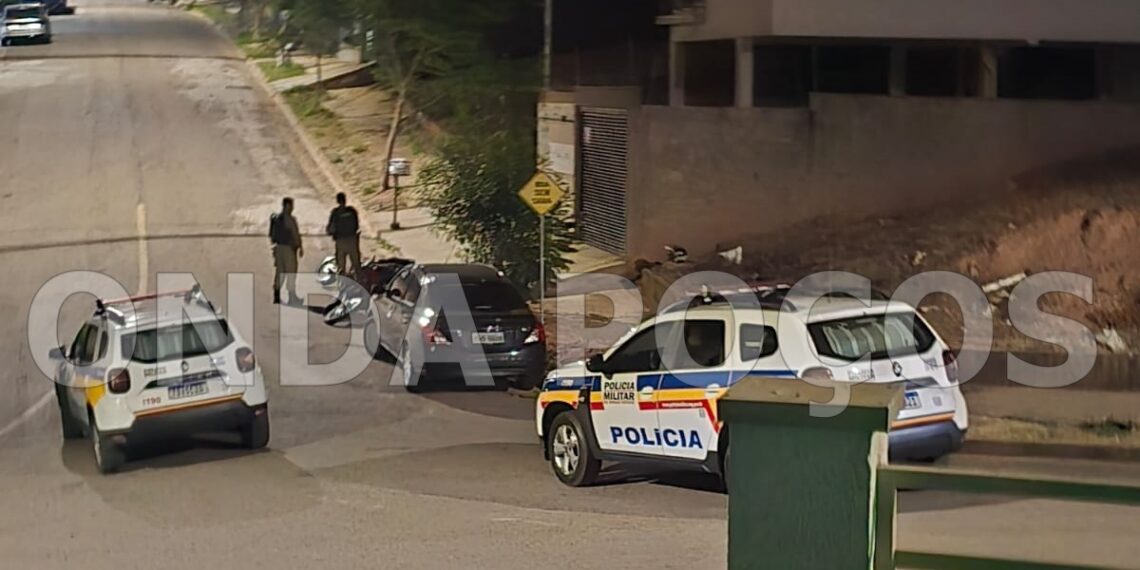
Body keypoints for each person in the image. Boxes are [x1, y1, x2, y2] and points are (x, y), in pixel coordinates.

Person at [269, 197, 304, 305]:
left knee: (280, 272)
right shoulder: (290, 219)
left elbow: (271, 236)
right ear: (287, 206)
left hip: (278, 248)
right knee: (291, 272)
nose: (293, 208)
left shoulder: (277, 218)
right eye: (291, 205)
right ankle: (292, 296)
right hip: (288, 249)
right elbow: (295, 234)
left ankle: (276, 295)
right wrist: (300, 246)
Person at [326, 192, 362, 277]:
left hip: (341, 242)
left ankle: (342, 285)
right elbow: (357, 226)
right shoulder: (352, 211)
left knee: (341, 267)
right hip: (352, 240)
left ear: (337, 201)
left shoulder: (335, 213)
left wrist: (331, 233)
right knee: (356, 265)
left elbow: (330, 229)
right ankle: (361, 283)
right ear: (345, 200)